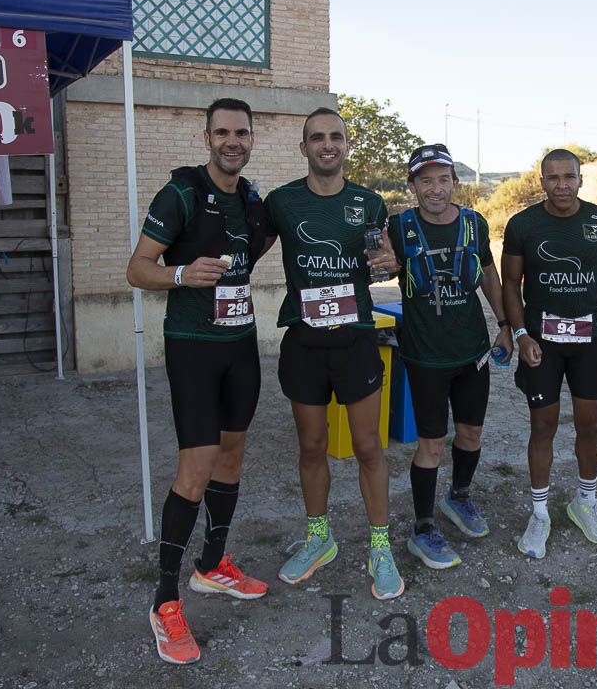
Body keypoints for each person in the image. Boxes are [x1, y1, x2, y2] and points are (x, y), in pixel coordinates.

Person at [126, 98, 271, 664]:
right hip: (192, 349)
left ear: (253, 137)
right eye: (222, 132)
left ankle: (212, 565)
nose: (232, 141)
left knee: (233, 455)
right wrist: (182, 274)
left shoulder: (255, 201)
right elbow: (136, 268)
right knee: (197, 464)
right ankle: (165, 599)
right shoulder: (181, 193)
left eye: (241, 132)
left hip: (241, 345)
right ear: (207, 136)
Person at [263, 107, 404, 600]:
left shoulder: (369, 202)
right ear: (303, 147)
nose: (327, 144)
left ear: (347, 146)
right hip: (304, 341)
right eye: (317, 137)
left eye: (336, 137)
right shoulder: (281, 202)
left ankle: (380, 546)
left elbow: (383, 259)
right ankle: (319, 539)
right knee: (310, 446)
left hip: (356, 340)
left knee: (369, 448)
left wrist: (389, 262)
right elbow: (243, 249)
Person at [374, 144, 513, 569]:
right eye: (425, 180)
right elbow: (375, 266)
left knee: (470, 435)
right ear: (413, 185)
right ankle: (422, 526)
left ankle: (460, 497)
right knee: (431, 445)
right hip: (425, 355)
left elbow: (488, 272)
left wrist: (506, 325)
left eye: (443, 179)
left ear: (455, 181)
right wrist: (382, 264)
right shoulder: (398, 227)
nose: (436, 189)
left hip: (471, 352)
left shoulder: (474, 223)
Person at [501, 148, 597, 560]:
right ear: (541, 182)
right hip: (542, 342)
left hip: (587, 340)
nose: (562, 184)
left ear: (580, 179)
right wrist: (522, 335)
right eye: (553, 177)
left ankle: (585, 502)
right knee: (543, 427)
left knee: (589, 426)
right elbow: (510, 284)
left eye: (569, 177)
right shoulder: (523, 224)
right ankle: (540, 513)